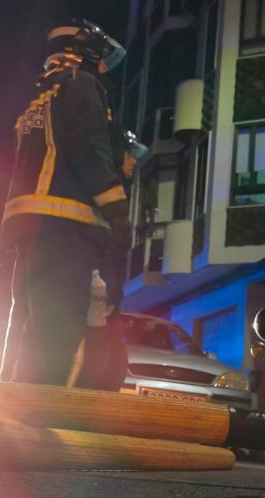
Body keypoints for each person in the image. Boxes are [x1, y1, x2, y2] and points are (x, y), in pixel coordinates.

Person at [0, 19, 131, 386]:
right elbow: (91, 150)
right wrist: (117, 211)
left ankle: (11, 399)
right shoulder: (81, 85)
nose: (102, 66)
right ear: (84, 52)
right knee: (58, 326)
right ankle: (40, 408)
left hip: (30, 224)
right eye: (99, 57)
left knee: (28, 321)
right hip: (65, 224)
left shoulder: (38, 97)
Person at [76, 130, 148, 391]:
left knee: (111, 368)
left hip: (105, 310)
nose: (134, 162)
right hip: (95, 310)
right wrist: (99, 288)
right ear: (117, 155)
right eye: (130, 155)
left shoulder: (116, 194)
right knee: (97, 370)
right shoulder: (101, 195)